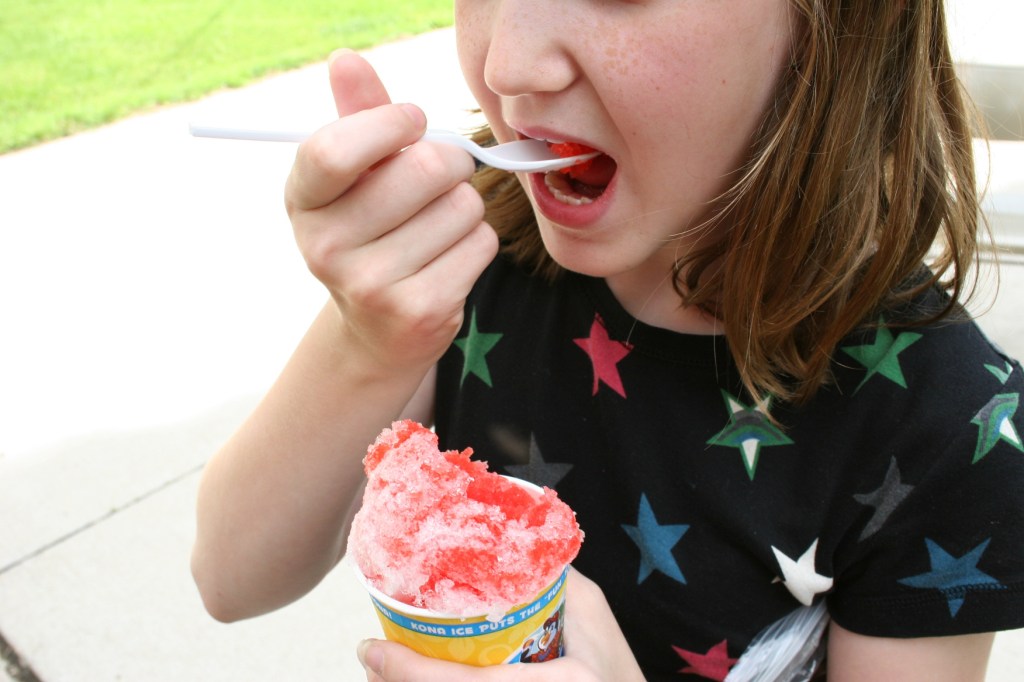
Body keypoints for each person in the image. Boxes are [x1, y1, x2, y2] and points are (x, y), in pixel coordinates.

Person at [191, 0, 1024, 679]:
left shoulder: (952, 429)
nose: (508, 63)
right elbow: (233, 577)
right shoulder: (477, 250)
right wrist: (367, 343)